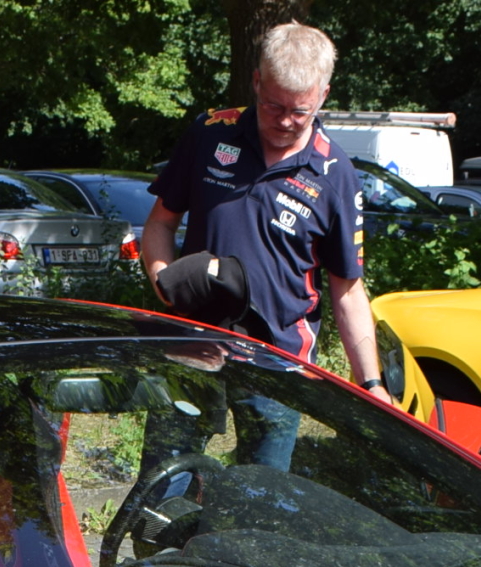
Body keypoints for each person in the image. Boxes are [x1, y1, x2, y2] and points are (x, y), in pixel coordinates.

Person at [142, 22, 397, 427]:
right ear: (257, 82)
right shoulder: (209, 134)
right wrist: (168, 287)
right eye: (274, 106)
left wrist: (371, 383)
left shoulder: (335, 173)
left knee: (265, 486)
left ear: (323, 96)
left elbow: (347, 287)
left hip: (280, 364)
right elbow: (159, 224)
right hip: (192, 347)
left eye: (300, 111)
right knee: (168, 476)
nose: (285, 121)